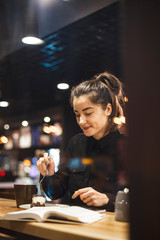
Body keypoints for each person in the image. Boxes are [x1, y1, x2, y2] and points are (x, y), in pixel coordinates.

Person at [36, 71, 128, 212]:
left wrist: (107, 199)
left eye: (88, 113)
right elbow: (54, 193)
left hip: (109, 228)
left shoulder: (127, 148)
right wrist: (48, 175)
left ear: (108, 109)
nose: (81, 121)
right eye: (77, 114)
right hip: (72, 223)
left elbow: (143, 199)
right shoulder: (76, 143)